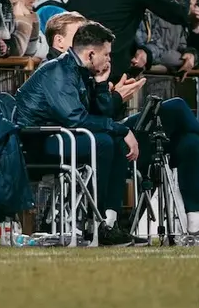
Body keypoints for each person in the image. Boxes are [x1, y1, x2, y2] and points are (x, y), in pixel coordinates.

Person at [13, 21, 135, 243]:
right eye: (106, 54)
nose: (109, 59)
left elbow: (99, 113)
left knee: (115, 142)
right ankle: (94, 221)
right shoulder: (58, 71)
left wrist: (101, 84)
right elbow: (75, 118)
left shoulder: (83, 72)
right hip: (36, 141)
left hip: (60, 136)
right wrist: (121, 129)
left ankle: (109, 222)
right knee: (104, 142)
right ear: (91, 54)